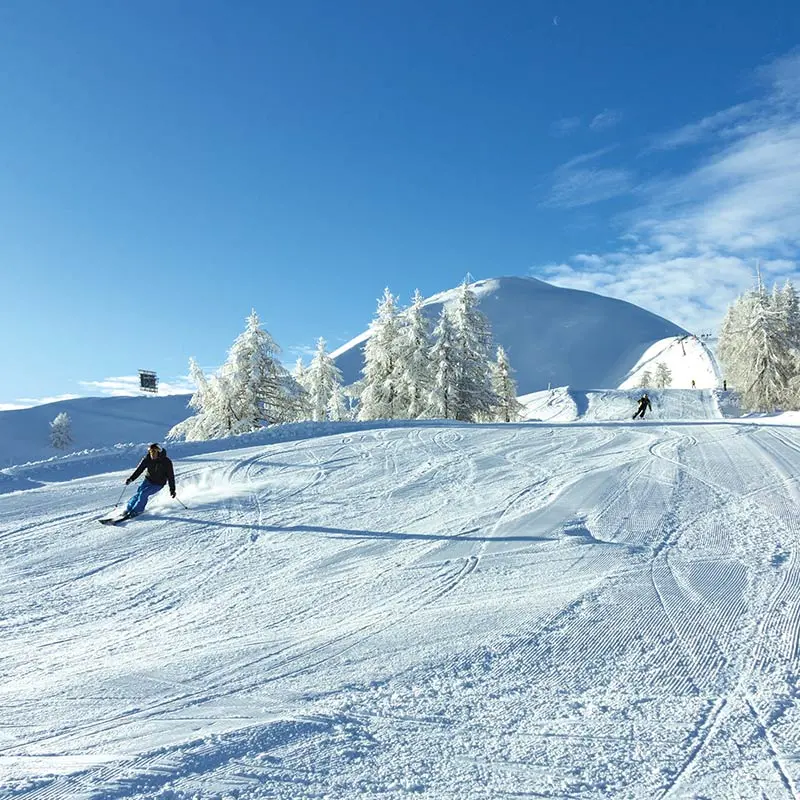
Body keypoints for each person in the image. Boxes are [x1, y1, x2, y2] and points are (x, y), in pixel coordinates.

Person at [123, 443, 176, 518]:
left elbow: (171, 476)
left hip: (158, 483)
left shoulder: (166, 462)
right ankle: (129, 509)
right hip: (148, 480)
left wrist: (172, 489)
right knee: (139, 493)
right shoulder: (147, 459)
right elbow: (139, 470)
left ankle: (137, 510)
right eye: (151, 452)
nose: (152, 454)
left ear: (159, 452)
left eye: (154, 452)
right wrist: (131, 479)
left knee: (144, 494)